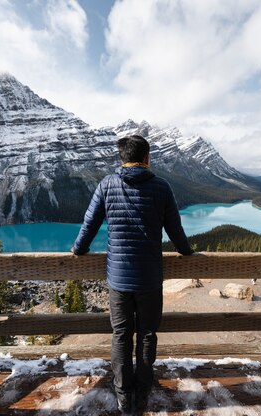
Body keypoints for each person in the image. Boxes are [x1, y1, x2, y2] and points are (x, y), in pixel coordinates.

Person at [71, 135, 194, 414]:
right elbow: (175, 231)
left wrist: (78, 248)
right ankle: (144, 386)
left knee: (121, 335)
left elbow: (90, 224)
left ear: (122, 158)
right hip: (149, 279)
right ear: (147, 158)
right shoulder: (162, 188)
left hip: (118, 279)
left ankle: (124, 395)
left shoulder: (107, 184)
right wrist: (187, 253)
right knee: (148, 333)